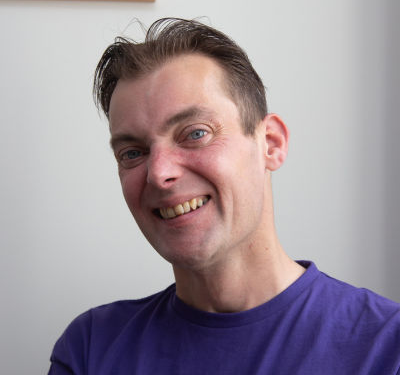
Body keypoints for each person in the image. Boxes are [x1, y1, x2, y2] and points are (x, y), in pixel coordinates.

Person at [48, 18, 400, 375]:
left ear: (271, 144)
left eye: (195, 133)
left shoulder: (386, 346)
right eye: (132, 153)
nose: (158, 172)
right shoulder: (92, 348)